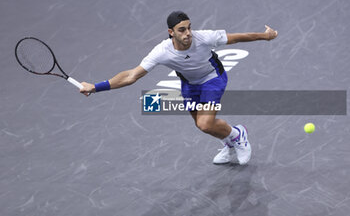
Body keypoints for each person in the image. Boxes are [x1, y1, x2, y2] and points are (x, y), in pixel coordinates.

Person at [80, 11, 278, 165]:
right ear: (171, 32)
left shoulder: (204, 38)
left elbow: (236, 37)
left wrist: (265, 36)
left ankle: (237, 135)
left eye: (189, 28)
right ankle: (228, 142)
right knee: (200, 124)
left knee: (205, 124)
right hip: (189, 84)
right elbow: (132, 75)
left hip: (213, 79)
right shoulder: (162, 51)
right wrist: (96, 87)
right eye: (182, 29)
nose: (188, 33)